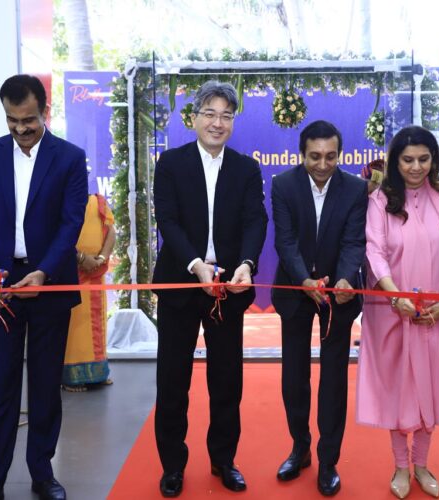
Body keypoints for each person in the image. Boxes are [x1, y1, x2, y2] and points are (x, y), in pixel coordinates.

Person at [0, 74, 88, 500]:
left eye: (28, 120)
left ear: (44, 111)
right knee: (2, 385)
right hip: (2, 287)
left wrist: (45, 272)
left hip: (49, 285)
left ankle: (42, 473)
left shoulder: (69, 158)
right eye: (12, 120)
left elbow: (71, 223)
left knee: (45, 383)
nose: (21, 129)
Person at [152, 80, 268, 497]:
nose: (218, 123)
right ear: (194, 117)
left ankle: (223, 460)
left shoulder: (246, 168)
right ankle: (173, 466)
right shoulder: (170, 163)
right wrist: (196, 264)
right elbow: (168, 221)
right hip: (181, 284)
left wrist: (247, 264)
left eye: (226, 116)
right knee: (172, 381)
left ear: (233, 122)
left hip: (228, 289)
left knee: (226, 381)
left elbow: (256, 220)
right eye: (210, 114)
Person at [356, 125, 439, 499]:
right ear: (395, 161)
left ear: (434, 160)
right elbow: (374, 251)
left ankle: (422, 465)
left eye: (423, 159)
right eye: (407, 160)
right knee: (399, 390)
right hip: (392, 312)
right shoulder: (381, 199)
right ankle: (400, 466)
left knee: (431, 388)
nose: (415, 167)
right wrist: (397, 298)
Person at [271, 120, 368, 496]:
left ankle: (328, 461)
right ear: (302, 154)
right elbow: (285, 241)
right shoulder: (283, 185)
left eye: (330, 156)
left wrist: (344, 279)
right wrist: (303, 280)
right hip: (295, 291)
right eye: (315, 156)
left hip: (338, 294)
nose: (323, 164)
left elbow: (354, 241)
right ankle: (300, 449)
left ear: (339, 154)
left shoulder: (355, 189)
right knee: (294, 376)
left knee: (333, 379)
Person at [62, 193, 116, 391]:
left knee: (96, 324)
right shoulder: (60, 199)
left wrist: (100, 258)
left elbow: (111, 232)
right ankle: (70, 377)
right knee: (74, 326)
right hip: (69, 271)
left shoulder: (97, 201)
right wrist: (82, 258)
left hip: (95, 272)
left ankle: (97, 374)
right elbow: (58, 236)